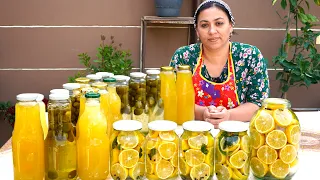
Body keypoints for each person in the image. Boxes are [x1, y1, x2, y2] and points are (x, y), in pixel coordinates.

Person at [170, 0, 269, 127]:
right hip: (191, 134)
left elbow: (259, 104)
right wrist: (202, 113)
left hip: (236, 134)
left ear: (231, 26)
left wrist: (229, 116)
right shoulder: (184, 56)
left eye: (219, 23)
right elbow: (173, 100)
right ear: (197, 31)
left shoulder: (250, 56)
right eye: (204, 25)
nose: (212, 31)